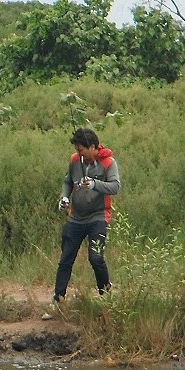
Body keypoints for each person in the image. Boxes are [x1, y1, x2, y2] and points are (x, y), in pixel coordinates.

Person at [52, 127, 121, 304]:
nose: (78, 153)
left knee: (96, 258)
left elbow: (115, 187)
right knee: (66, 258)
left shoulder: (108, 163)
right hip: (76, 218)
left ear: (92, 147)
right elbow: (68, 181)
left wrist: (94, 184)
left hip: (98, 217)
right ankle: (58, 299)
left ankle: (106, 297)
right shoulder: (75, 160)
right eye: (77, 150)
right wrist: (65, 197)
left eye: (81, 149)